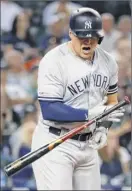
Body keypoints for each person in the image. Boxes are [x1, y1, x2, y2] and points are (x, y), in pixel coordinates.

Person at [31, 8, 124, 190]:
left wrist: (103, 129)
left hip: (88, 145)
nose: (87, 41)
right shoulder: (53, 61)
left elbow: (111, 103)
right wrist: (89, 114)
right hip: (55, 142)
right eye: (82, 36)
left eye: (92, 36)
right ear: (70, 34)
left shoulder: (109, 62)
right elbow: (50, 110)